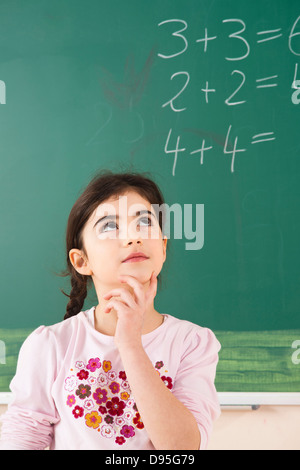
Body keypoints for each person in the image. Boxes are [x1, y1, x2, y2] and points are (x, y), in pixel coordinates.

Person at [0, 170, 221, 450]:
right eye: (109, 227)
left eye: (144, 222)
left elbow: (183, 449)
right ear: (81, 261)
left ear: (163, 248)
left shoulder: (192, 343)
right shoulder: (51, 345)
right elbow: (21, 440)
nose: (132, 238)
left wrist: (130, 344)